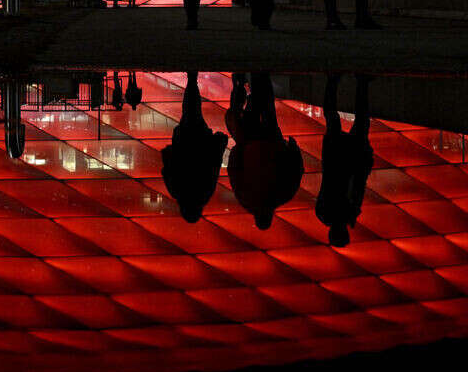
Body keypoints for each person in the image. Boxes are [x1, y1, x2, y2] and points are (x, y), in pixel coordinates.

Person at [224, 72, 303, 229]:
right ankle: (255, 78)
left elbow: (295, 171)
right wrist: (238, 149)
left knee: (267, 108)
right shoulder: (245, 198)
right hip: (251, 145)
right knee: (253, 111)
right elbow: (234, 171)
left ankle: (261, 78)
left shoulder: (281, 196)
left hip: (272, 143)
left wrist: (292, 148)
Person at [315, 73, 375, 247]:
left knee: (361, 120)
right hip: (333, 158)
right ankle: (332, 81)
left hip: (352, 159)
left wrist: (366, 160)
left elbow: (358, 184)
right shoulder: (323, 214)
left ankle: (361, 83)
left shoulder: (349, 214)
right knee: (332, 118)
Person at [160, 72, 229, 222]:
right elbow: (166, 170)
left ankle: (192, 82)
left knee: (194, 113)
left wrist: (219, 145)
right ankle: (192, 82)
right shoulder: (177, 192)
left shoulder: (205, 193)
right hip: (183, 143)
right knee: (190, 113)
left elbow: (213, 166)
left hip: (201, 142)